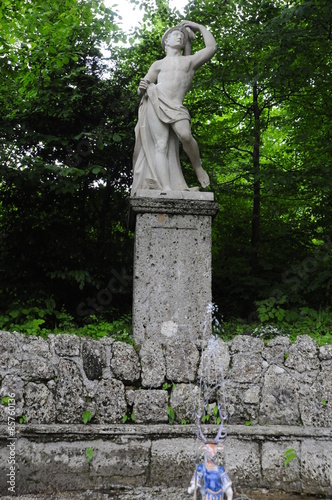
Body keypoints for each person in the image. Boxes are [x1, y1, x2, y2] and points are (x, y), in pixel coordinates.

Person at [131, 21, 217, 195]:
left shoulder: (189, 61)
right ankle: (166, 187)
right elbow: (144, 85)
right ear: (166, 42)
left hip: (176, 106)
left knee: (185, 136)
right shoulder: (158, 64)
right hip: (156, 101)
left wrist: (198, 27)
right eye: (174, 35)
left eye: (182, 36)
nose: (179, 36)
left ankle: (198, 167)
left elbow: (212, 47)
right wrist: (142, 87)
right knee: (160, 145)